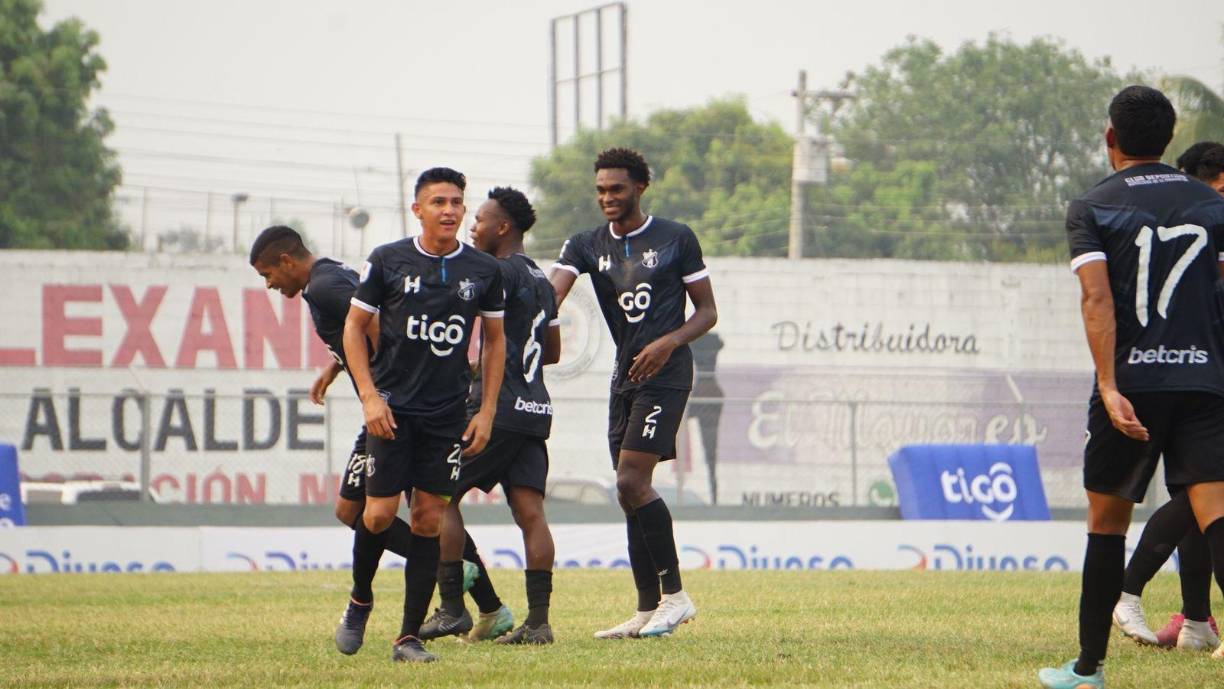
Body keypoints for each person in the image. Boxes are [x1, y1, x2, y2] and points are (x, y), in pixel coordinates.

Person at [1038, 86, 1224, 689]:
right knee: (1218, 513)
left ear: (1110, 137)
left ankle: (1088, 670)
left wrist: (1110, 385)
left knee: (1107, 523)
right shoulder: (1212, 203)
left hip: (1134, 386)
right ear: (1169, 139)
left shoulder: (1092, 205)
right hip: (1204, 382)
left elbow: (1096, 297)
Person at [247, 225, 502, 655]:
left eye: (267, 274)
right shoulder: (324, 283)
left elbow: (380, 327)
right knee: (354, 510)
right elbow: (356, 331)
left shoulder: (326, 285)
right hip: (386, 404)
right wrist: (336, 367)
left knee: (405, 512)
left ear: (286, 261)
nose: (270, 284)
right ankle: (452, 569)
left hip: (395, 407)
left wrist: (378, 391)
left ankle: (422, 589)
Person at [550, 147, 718, 639]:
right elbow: (550, 292)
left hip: (666, 373)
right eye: (601, 190)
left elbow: (707, 313)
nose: (607, 198)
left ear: (640, 188)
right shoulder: (585, 244)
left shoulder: (675, 237)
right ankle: (647, 609)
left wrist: (667, 343)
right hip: (624, 377)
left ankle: (676, 597)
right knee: (628, 494)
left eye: (617, 189)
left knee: (630, 482)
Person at [343, 167, 506, 663]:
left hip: (446, 417)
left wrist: (487, 412)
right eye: (438, 202)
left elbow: (495, 343)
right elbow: (353, 329)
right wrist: (370, 397)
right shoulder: (387, 260)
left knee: (429, 520)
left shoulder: (483, 270)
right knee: (374, 514)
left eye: (457, 202)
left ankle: (407, 637)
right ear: (418, 210)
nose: (450, 210)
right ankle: (359, 600)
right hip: (392, 413)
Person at [421, 187, 562, 645]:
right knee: (531, 514)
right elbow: (552, 351)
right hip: (534, 409)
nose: (471, 226)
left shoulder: (491, 271)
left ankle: (451, 608)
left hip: (495, 409)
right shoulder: (541, 279)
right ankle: (538, 623)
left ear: (502, 227)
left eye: (478, 219)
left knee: (436, 496)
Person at [1112, 141, 1224, 650]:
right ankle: (1129, 591)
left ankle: (1196, 622)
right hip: (1192, 378)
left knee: (1200, 499)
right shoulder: (1182, 242)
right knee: (1203, 495)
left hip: (1197, 377)